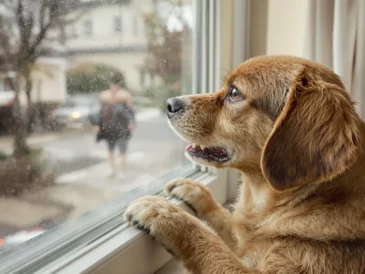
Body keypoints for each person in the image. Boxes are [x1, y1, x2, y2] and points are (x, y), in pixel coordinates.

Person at [96, 72, 135, 179]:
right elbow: (101, 111)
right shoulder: (104, 95)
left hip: (122, 126)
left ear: (118, 85)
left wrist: (131, 122)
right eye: (112, 84)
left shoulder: (125, 95)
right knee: (110, 150)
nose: (114, 87)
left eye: (115, 84)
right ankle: (111, 169)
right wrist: (99, 124)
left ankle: (122, 172)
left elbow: (130, 110)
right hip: (109, 127)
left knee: (122, 150)